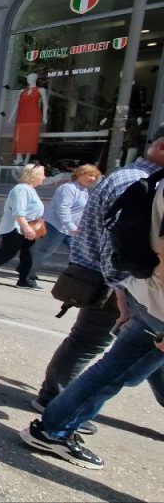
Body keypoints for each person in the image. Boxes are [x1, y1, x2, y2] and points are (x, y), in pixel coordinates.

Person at [20, 165, 164, 470]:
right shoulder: (135, 179)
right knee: (97, 350)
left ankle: (56, 413)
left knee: (134, 357)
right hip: (116, 280)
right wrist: (119, 288)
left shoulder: (147, 180)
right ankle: (54, 409)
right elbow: (114, 238)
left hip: (132, 286)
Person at [27, 164, 100, 282]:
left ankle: (75, 278)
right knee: (44, 251)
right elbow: (63, 209)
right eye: (90, 175)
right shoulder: (69, 188)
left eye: (95, 177)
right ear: (80, 174)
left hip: (70, 229)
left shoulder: (84, 190)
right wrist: (71, 225)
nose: (92, 178)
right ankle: (27, 271)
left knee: (78, 253)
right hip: (55, 226)